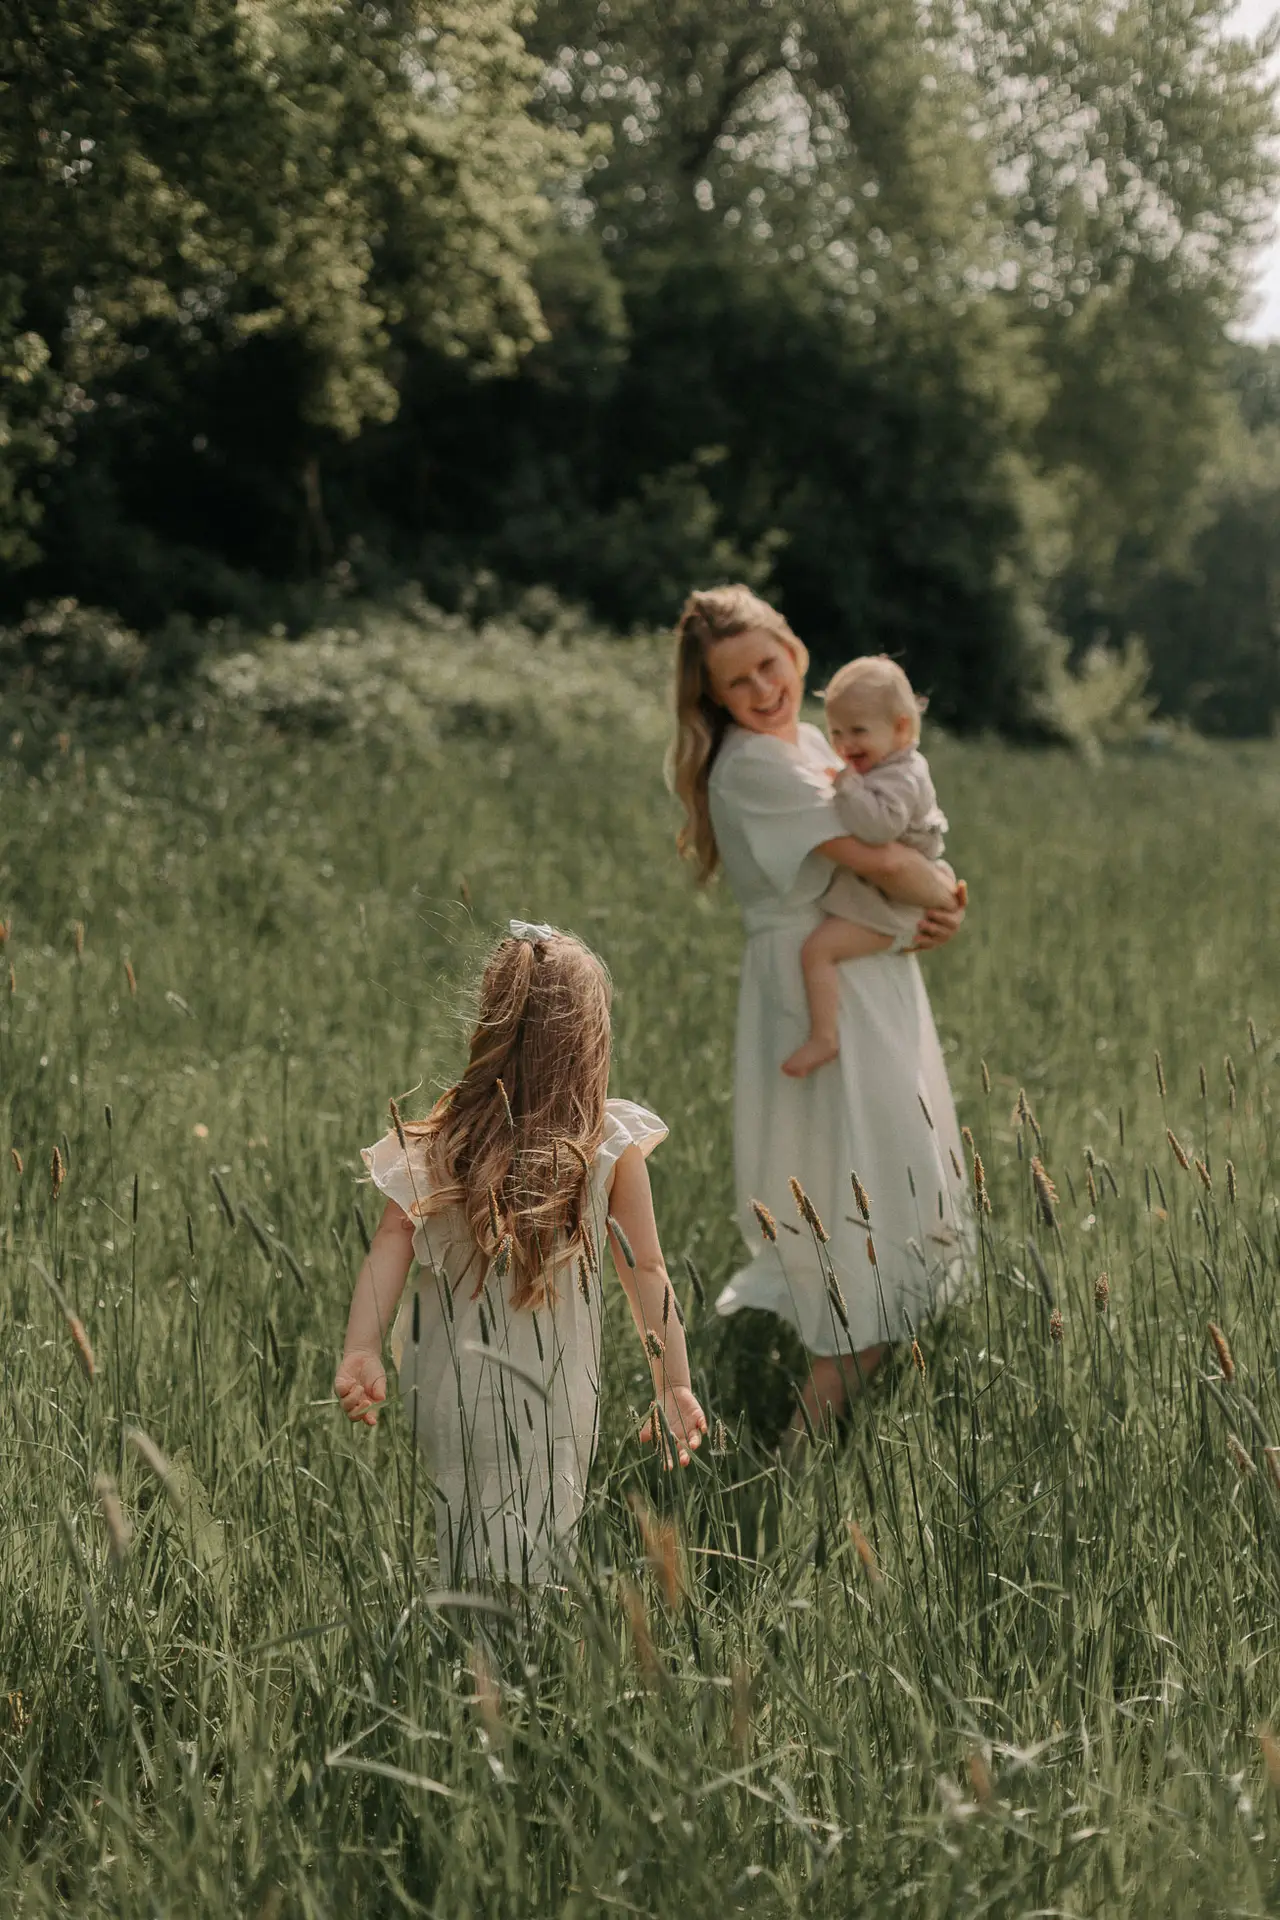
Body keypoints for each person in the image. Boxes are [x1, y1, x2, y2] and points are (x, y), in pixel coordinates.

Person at [669, 585, 969, 1443]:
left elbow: (900, 862)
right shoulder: (757, 764)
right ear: (715, 701)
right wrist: (946, 895)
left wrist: (934, 899)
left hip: (862, 968)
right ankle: (799, 1449)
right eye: (738, 683)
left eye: (770, 664)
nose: (764, 689)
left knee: (876, 1175)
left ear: (796, 653)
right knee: (858, 1187)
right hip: (817, 986)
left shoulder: (810, 741)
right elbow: (879, 859)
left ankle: (834, 1400)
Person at [334, 921, 706, 1585]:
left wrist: (363, 1345)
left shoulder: (443, 1142)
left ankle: (463, 1639)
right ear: (590, 1042)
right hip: (552, 1392)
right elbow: (645, 1269)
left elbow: (392, 1238)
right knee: (533, 1549)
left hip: (446, 1382)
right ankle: (510, 1660)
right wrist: (672, 1381)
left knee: (460, 1528)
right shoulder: (606, 1149)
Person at [781, 654, 955, 1079]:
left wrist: (844, 785)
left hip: (892, 903)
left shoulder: (902, 775)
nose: (844, 746)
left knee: (818, 950)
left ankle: (824, 1037)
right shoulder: (889, 765)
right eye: (836, 732)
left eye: (858, 731)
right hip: (891, 893)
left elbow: (879, 828)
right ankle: (826, 1035)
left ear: (900, 727)